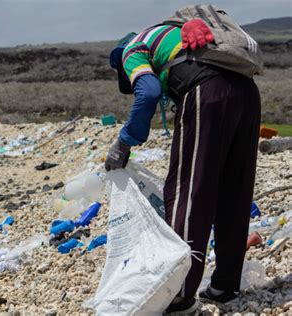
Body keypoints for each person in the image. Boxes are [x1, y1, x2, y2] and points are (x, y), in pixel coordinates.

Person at [105, 17, 261, 314]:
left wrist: (124, 142)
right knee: (234, 190)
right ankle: (225, 285)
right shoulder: (172, 34)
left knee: (189, 193)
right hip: (247, 93)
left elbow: (148, 92)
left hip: (208, 93)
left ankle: (179, 293)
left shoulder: (132, 50)